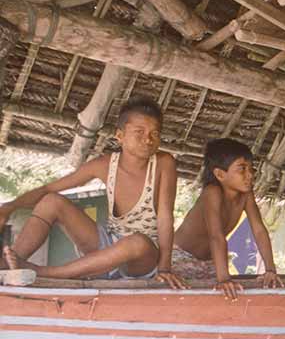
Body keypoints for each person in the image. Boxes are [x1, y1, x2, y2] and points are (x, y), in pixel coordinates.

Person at [1, 98, 184, 287]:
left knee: (136, 242)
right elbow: (48, 188)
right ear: (120, 136)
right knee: (51, 201)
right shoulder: (104, 165)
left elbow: (165, 217)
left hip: (141, 259)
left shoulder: (164, 163)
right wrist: (10, 206)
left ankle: (46, 272)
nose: (148, 139)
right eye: (139, 132)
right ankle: (11, 264)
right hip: (107, 247)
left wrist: (164, 268)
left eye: (155, 133)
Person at [172, 138, 282, 300]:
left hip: (210, 262)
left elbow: (258, 230)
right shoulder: (212, 192)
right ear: (220, 174)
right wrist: (224, 278)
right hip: (180, 259)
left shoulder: (246, 195)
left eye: (251, 169)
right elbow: (216, 236)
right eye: (242, 169)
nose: (250, 175)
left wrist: (270, 270)